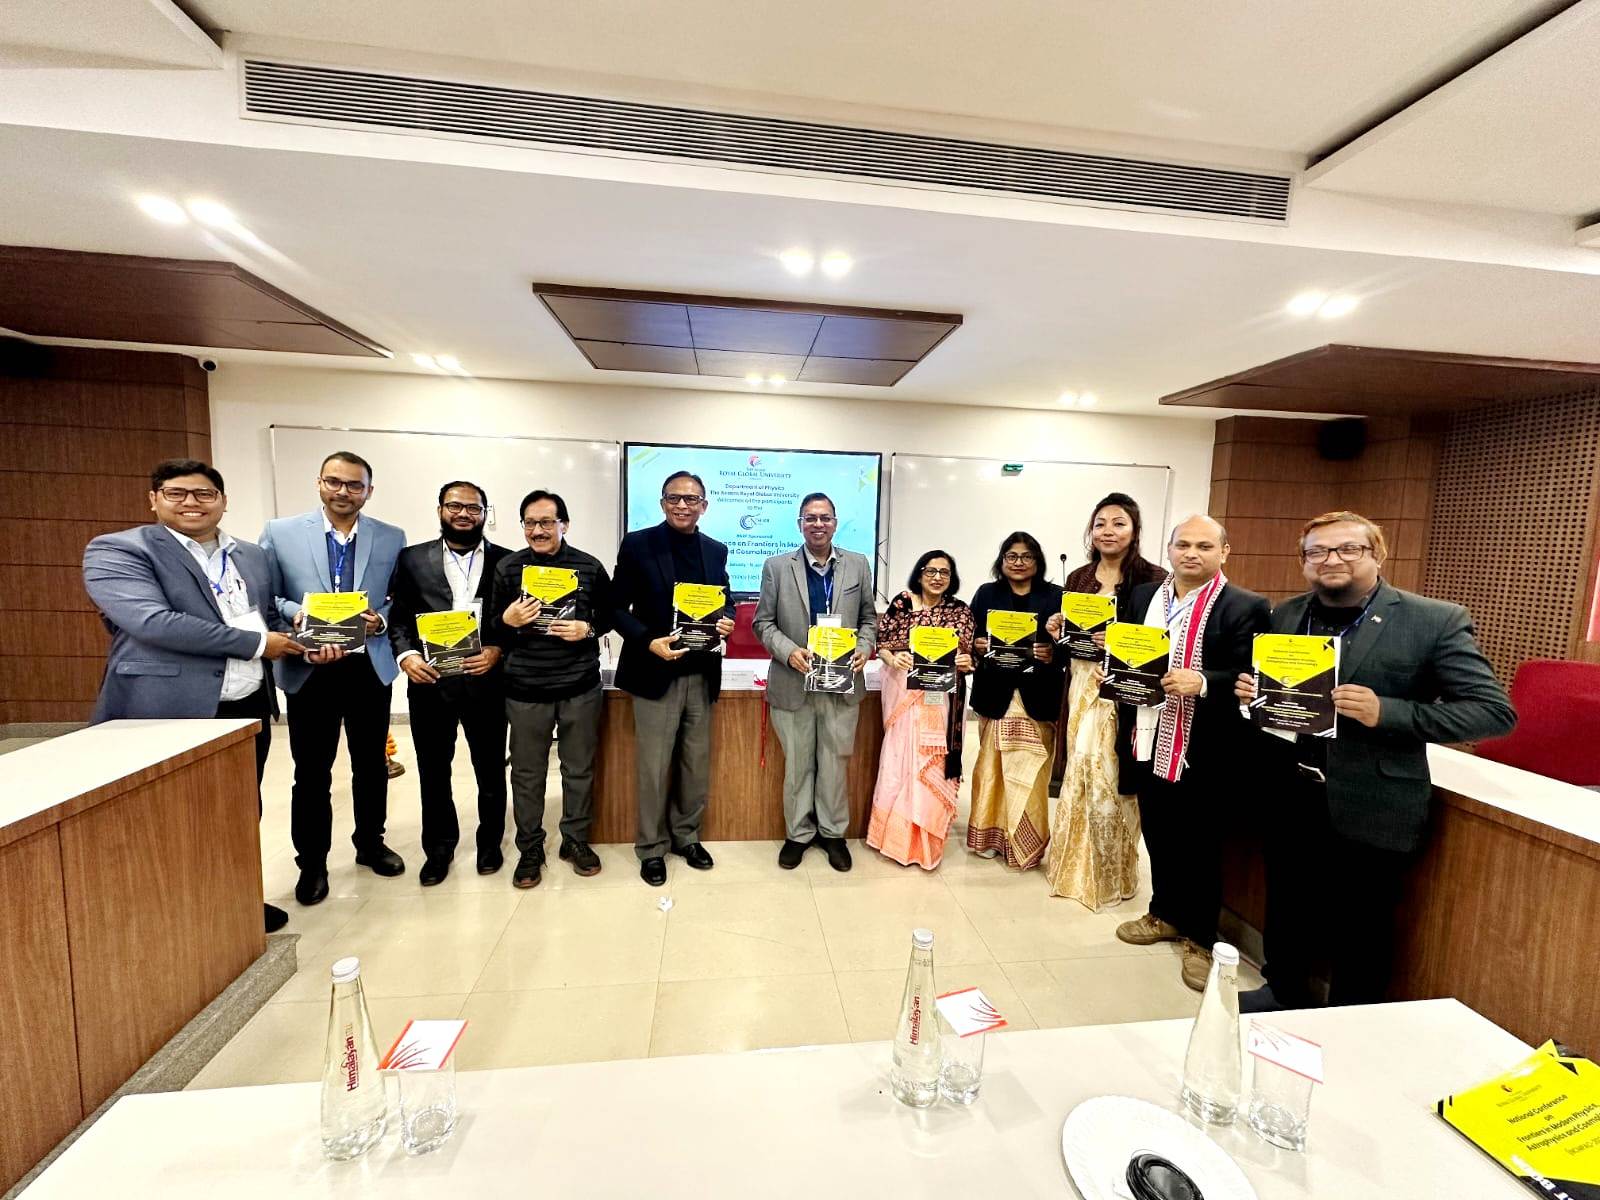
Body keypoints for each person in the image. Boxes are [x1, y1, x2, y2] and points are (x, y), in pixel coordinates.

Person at [1235, 511, 1515, 1012]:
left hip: (1373, 799)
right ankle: (1283, 992)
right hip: (1291, 792)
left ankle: (1352, 1017)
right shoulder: (1286, 615)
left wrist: (1387, 711)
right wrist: (1253, 696)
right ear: (1303, 561)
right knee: (1288, 902)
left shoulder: (1433, 620)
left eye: (1348, 549)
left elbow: (1493, 712)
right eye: (1317, 551)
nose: (1331, 560)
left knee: (1364, 924)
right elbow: (1284, 701)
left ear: (1378, 555)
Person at [83, 458, 304, 933]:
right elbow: (153, 622)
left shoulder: (250, 554)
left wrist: (302, 641)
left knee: (239, 809)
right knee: (164, 816)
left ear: (223, 501)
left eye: (204, 494)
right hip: (166, 708)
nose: (191, 503)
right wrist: (260, 644)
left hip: (246, 704)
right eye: (177, 493)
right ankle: (164, 913)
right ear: (153, 499)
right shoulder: (119, 550)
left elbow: (264, 617)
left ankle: (237, 900)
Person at [1110, 515, 1268, 991]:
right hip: (1147, 731)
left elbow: (1253, 673)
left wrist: (1203, 681)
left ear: (1224, 552)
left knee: (1201, 842)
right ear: (1170, 549)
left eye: (1204, 546)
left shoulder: (1245, 606)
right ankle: (1164, 913)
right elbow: (1129, 649)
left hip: (1206, 743)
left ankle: (1200, 937)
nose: (1191, 554)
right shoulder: (1143, 596)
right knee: (1158, 830)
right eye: (1183, 545)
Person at [260, 451, 407, 908]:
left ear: (369, 490)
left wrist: (381, 620)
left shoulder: (391, 536)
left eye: (354, 485)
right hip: (310, 668)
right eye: (334, 482)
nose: (343, 491)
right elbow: (267, 596)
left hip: (367, 668)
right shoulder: (280, 532)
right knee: (311, 772)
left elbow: (398, 598)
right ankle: (313, 864)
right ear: (320, 483)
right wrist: (297, 614)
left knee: (371, 765)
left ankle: (370, 844)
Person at [611, 470, 735, 887]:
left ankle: (686, 837)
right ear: (663, 503)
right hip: (655, 671)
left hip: (701, 673)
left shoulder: (716, 550)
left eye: (691, 498)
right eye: (674, 498)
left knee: (695, 765)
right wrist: (648, 641)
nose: (683, 505)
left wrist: (727, 620)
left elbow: (725, 599)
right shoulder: (638, 544)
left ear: (704, 505)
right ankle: (651, 847)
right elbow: (614, 607)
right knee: (653, 766)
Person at [1043, 492, 1166, 909]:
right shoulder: (1079, 578)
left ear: (1134, 530)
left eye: (1118, 523)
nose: (1108, 531)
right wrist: (1057, 629)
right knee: (1079, 769)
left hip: (1123, 692)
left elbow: (1160, 642)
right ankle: (1072, 867)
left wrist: (1116, 643)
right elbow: (1068, 644)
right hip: (1081, 685)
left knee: (1112, 777)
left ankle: (1111, 874)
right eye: (1100, 524)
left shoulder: (1155, 579)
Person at [388, 481, 511, 886]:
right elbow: (399, 619)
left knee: (490, 769)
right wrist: (406, 656)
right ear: (440, 509)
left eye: (473, 508)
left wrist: (497, 649)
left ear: (485, 514)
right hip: (431, 682)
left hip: (485, 681)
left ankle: (490, 843)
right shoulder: (411, 559)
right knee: (433, 771)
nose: (463, 514)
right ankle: (439, 849)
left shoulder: (507, 562)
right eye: (455, 506)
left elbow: (514, 623)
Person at [489, 489, 614, 888]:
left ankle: (575, 839)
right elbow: (489, 627)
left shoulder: (589, 567)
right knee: (527, 774)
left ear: (564, 524)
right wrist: (506, 619)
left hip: (579, 687)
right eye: (530, 523)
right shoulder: (508, 568)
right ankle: (530, 847)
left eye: (546, 522)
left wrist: (587, 628)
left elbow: (610, 615)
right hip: (525, 689)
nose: (538, 530)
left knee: (578, 769)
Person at [753, 492, 877, 872]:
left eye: (825, 518)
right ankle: (798, 834)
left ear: (835, 523)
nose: (818, 524)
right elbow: (763, 623)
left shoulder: (858, 564)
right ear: (800, 524)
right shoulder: (777, 567)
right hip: (795, 683)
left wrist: (864, 648)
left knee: (835, 765)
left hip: (842, 685)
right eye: (810, 518)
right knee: (797, 766)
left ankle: (832, 834)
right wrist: (789, 651)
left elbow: (869, 619)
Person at [867, 550, 975, 870]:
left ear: (952, 578)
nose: (937, 577)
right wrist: (893, 657)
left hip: (941, 701)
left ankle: (928, 838)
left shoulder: (959, 611)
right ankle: (896, 839)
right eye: (931, 571)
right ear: (919, 573)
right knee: (900, 761)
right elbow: (882, 644)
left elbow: (968, 657)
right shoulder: (902, 602)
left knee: (932, 762)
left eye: (944, 572)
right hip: (904, 695)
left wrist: (966, 661)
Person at [966, 532, 1063, 869]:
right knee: (990, 769)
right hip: (995, 694)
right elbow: (970, 638)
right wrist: (977, 646)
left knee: (1031, 773)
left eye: (1026, 556)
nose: (1019, 563)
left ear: (1038, 561)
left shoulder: (1056, 596)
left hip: (1038, 696)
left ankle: (1024, 844)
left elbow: (1069, 646)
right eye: (1012, 556)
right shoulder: (986, 593)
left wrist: (1052, 653)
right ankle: (990, 837)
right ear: (1002, 560)